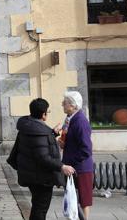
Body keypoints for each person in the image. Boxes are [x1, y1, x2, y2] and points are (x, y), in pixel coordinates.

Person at [7, 98, 76, 220]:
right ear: (43, 114)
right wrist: (62, 166)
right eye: (47, 112)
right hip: (41, 178)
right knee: (41, 208)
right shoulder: (40, 132)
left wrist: (52, 134)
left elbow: (36, 144)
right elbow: (43, 157)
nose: (47, 115)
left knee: (37, 206)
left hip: (30, 173)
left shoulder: (27, 126)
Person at [56, 91, 93, 219]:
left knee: (84, 199)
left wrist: (72, 162)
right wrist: (63, 144)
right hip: (72, 166)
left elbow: (86, 149)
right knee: (72, 199)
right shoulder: (69, 120)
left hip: (81, 167)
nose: (62, 104)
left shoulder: (80, 122)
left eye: (65, 103)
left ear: (73, 106)